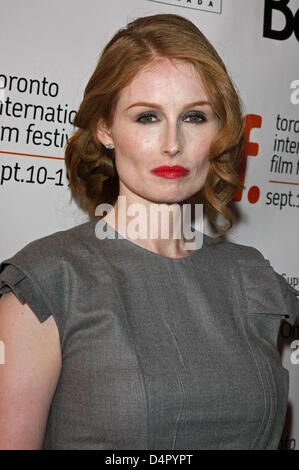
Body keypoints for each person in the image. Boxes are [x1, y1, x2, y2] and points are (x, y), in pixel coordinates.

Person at [0, 13, 298, 451]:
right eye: (147, 118)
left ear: (221, 131)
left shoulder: (251, 277)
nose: (173, 143)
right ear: (105, 128)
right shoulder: (49, 283)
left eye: (195, 117)